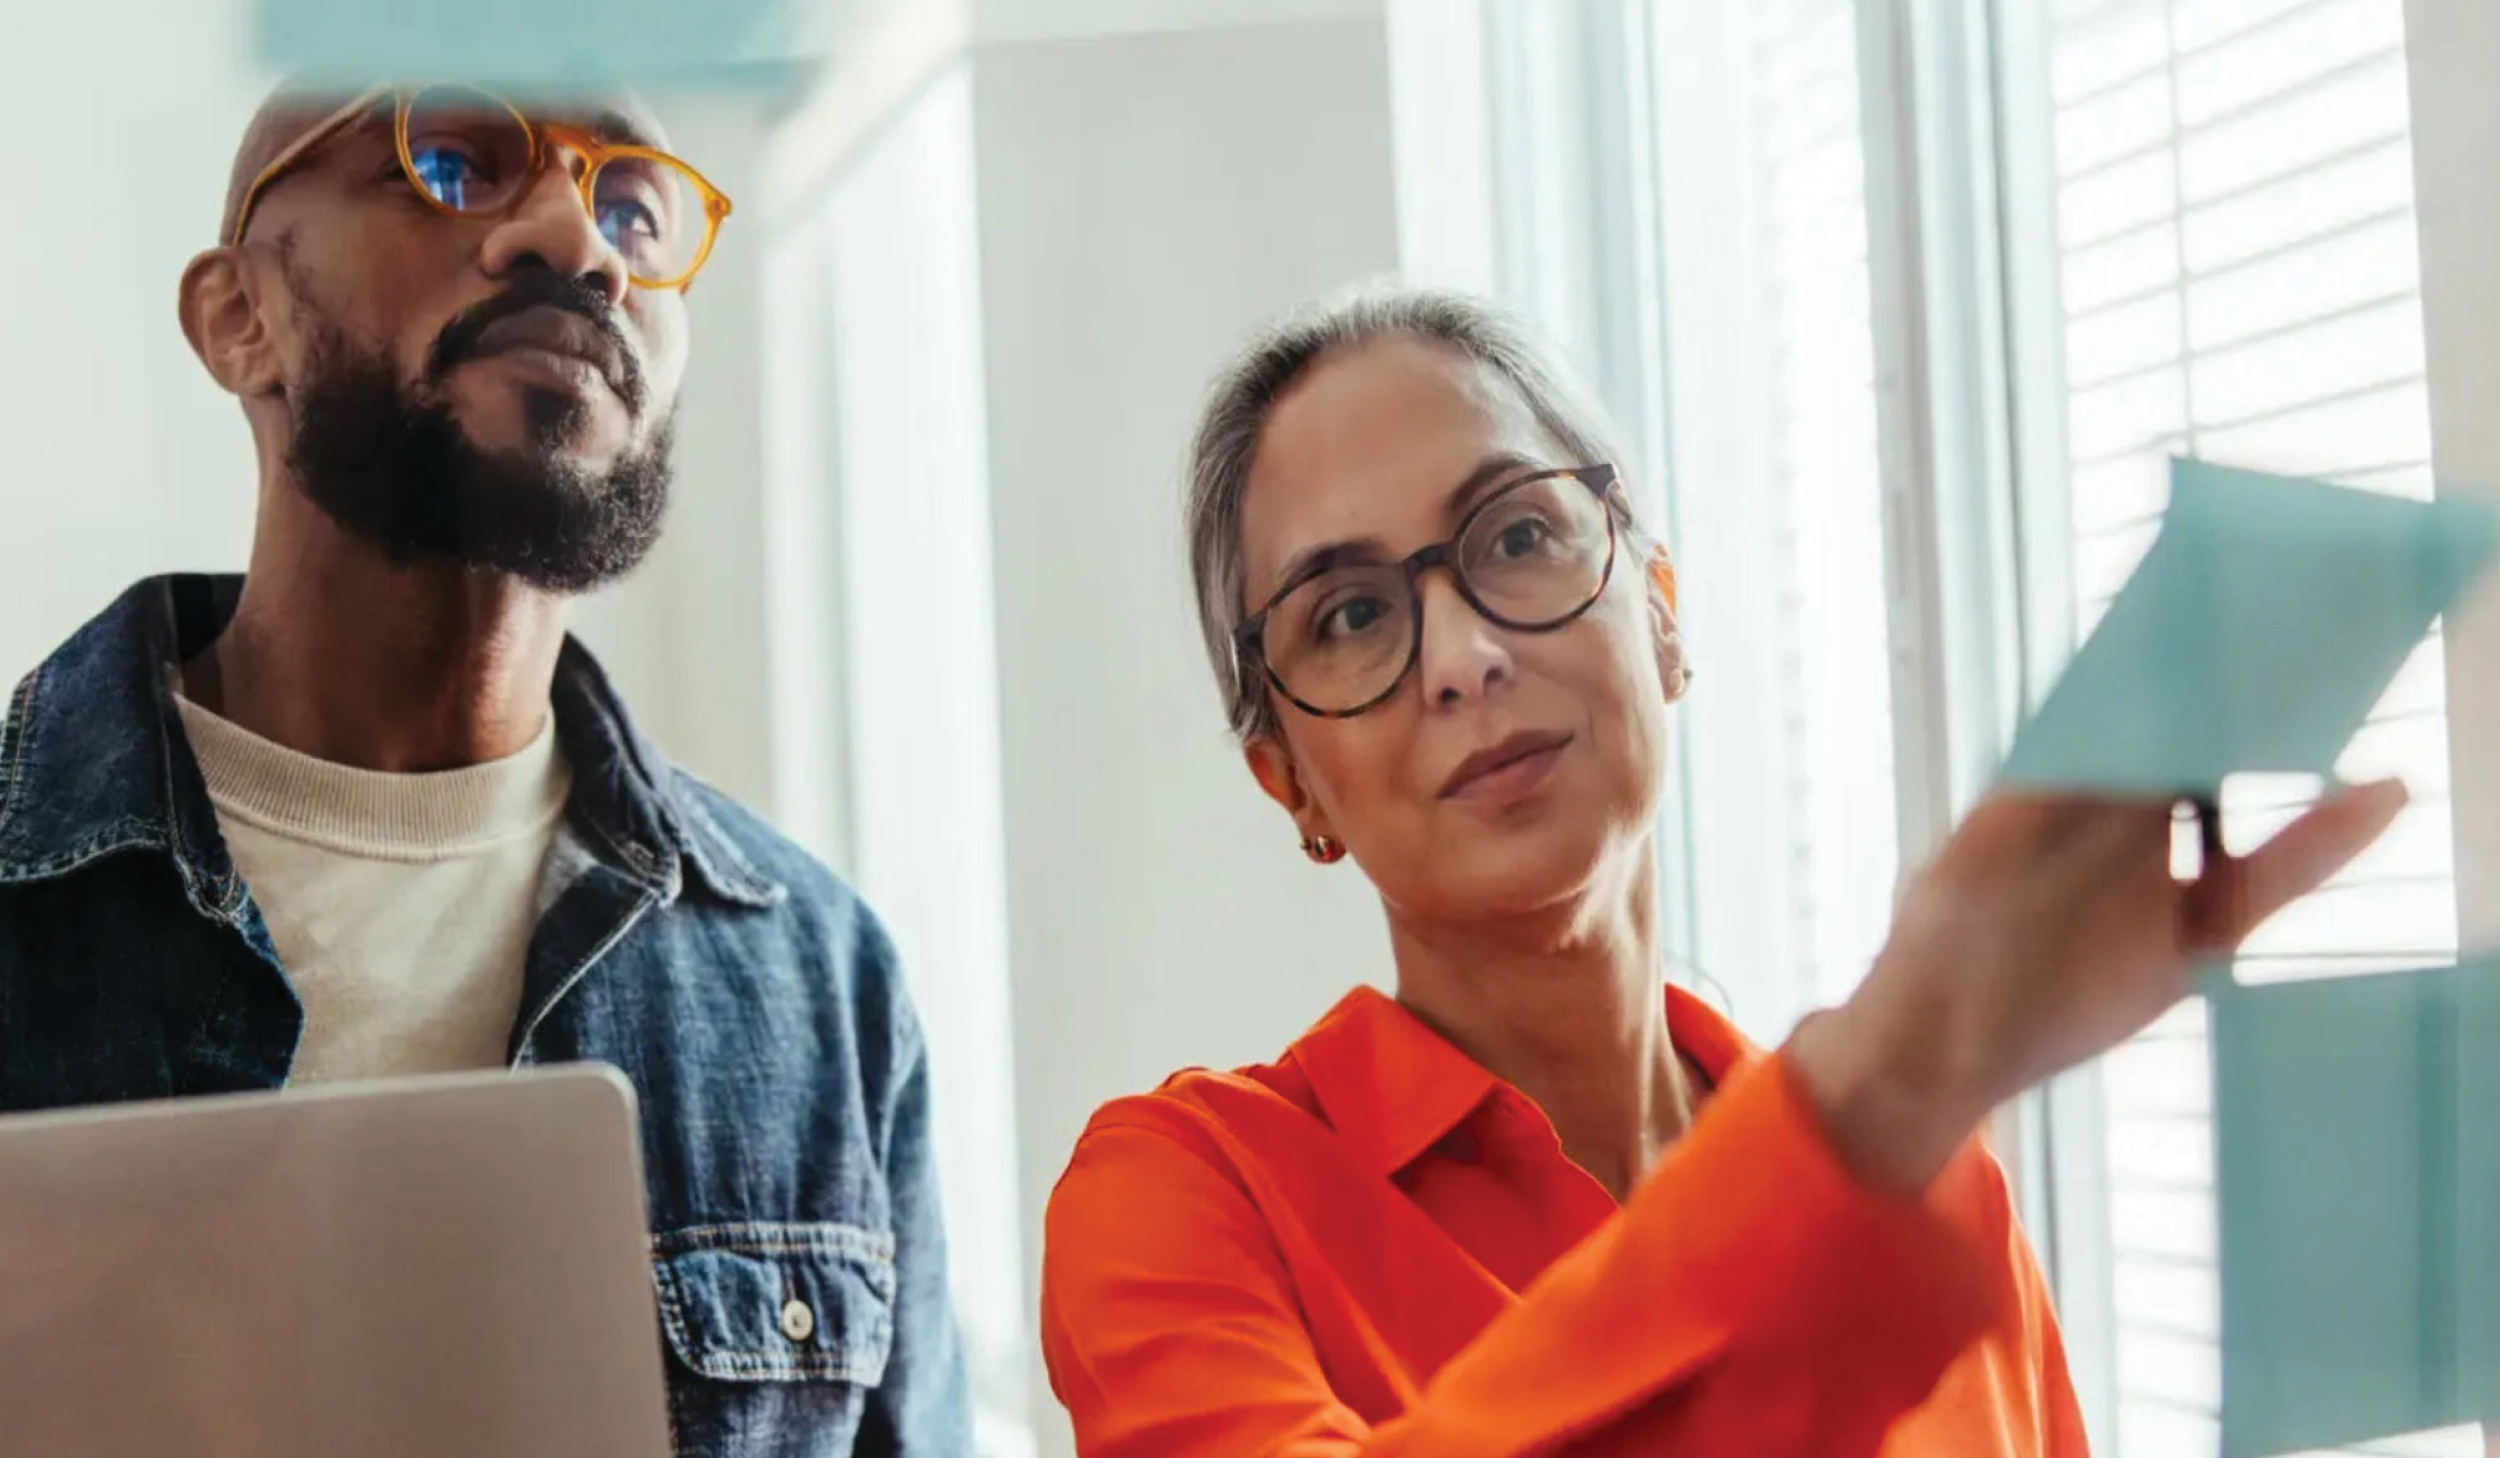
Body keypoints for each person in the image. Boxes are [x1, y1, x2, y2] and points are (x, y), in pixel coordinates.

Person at [1038, 289, 2407, 1456]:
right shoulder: (1189, 1195)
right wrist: (1883, 1081)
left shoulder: (1941, 1186)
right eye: (1349, 616)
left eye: (1516, 536)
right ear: (1293, 783)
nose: (1460, 655)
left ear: (1664, 613)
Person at [0, 82, 967, 1456]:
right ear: (238, 318)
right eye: (450, 161)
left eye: (632, 204)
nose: (580, 244)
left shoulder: (822, 982)